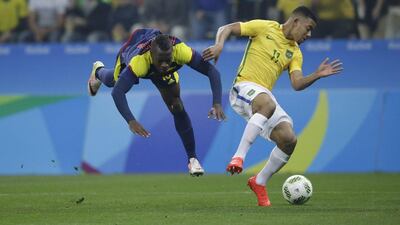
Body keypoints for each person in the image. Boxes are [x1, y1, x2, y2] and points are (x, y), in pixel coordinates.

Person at [202, 6, 342, 206]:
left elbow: (297, 83)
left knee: (289, 139)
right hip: (243, 88)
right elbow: (228, 27)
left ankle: (259, 181)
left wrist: (317, 75)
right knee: (267, 103)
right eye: (308, 28)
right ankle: (238, 157)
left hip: (263, 97)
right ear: (295, 21)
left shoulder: (295, 52)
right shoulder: (264, 27)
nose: (309, 34)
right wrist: (219, 45)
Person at [87, 28, 226, 176]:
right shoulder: (139, 62)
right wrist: (131, 120)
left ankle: (193, 159)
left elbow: (212, 71)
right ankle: (98, 71)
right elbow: (118, 92)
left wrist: (217, 102)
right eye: (161, 60)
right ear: (152, 55)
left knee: (176, 106)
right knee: (114, 82)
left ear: (172, 53)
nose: (165, 64)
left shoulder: (181, 51)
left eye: (168, 59)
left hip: (158, 66)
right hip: (133, 46)